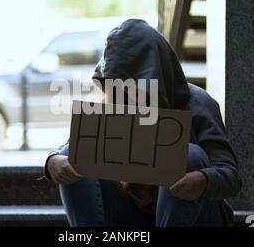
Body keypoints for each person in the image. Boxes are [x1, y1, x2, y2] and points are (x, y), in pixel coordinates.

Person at [43, 19, 242, 227]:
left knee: (189, 155)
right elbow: (73, 148)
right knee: (70, 154)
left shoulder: (198, 102)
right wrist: (52, 162)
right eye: (118, 88)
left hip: (196, 215)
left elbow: (232, 177)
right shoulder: (112, 104)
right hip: (134, 216)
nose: (127, 98)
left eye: (134, 88)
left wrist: (204, 180)